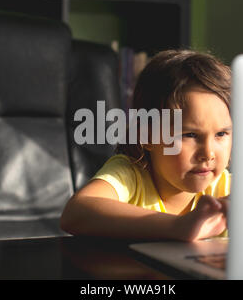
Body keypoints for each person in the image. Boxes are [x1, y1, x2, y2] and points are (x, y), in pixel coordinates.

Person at [60, 50, 232, 242]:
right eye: (190, 135)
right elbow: (75, 213)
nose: (208, 153)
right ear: (147, 135)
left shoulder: (225, 188)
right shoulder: (131, 176)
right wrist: (178, 226)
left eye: (221, 134)